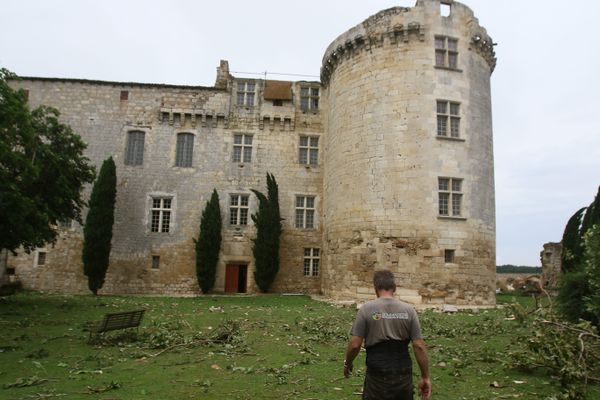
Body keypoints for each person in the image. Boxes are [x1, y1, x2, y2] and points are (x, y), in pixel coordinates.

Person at [343, 270, 431, 400]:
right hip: (402, 370)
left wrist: (348, 363)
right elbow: (419, 346)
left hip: (377, 370)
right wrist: (425, 377)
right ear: (394, 288)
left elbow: (355, 345)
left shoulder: (366, 309)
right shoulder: (409, 310)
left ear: (375, 289)